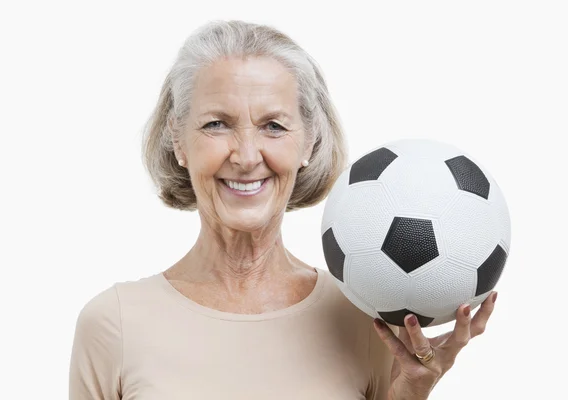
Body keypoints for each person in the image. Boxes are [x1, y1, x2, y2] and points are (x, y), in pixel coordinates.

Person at [69, 20, 497, 400]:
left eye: (273, 126)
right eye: (216, 123)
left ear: (309, 141)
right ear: (178, 141)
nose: (246, 154)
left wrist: (412, 392)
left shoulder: (366, 317)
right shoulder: (114, 324)